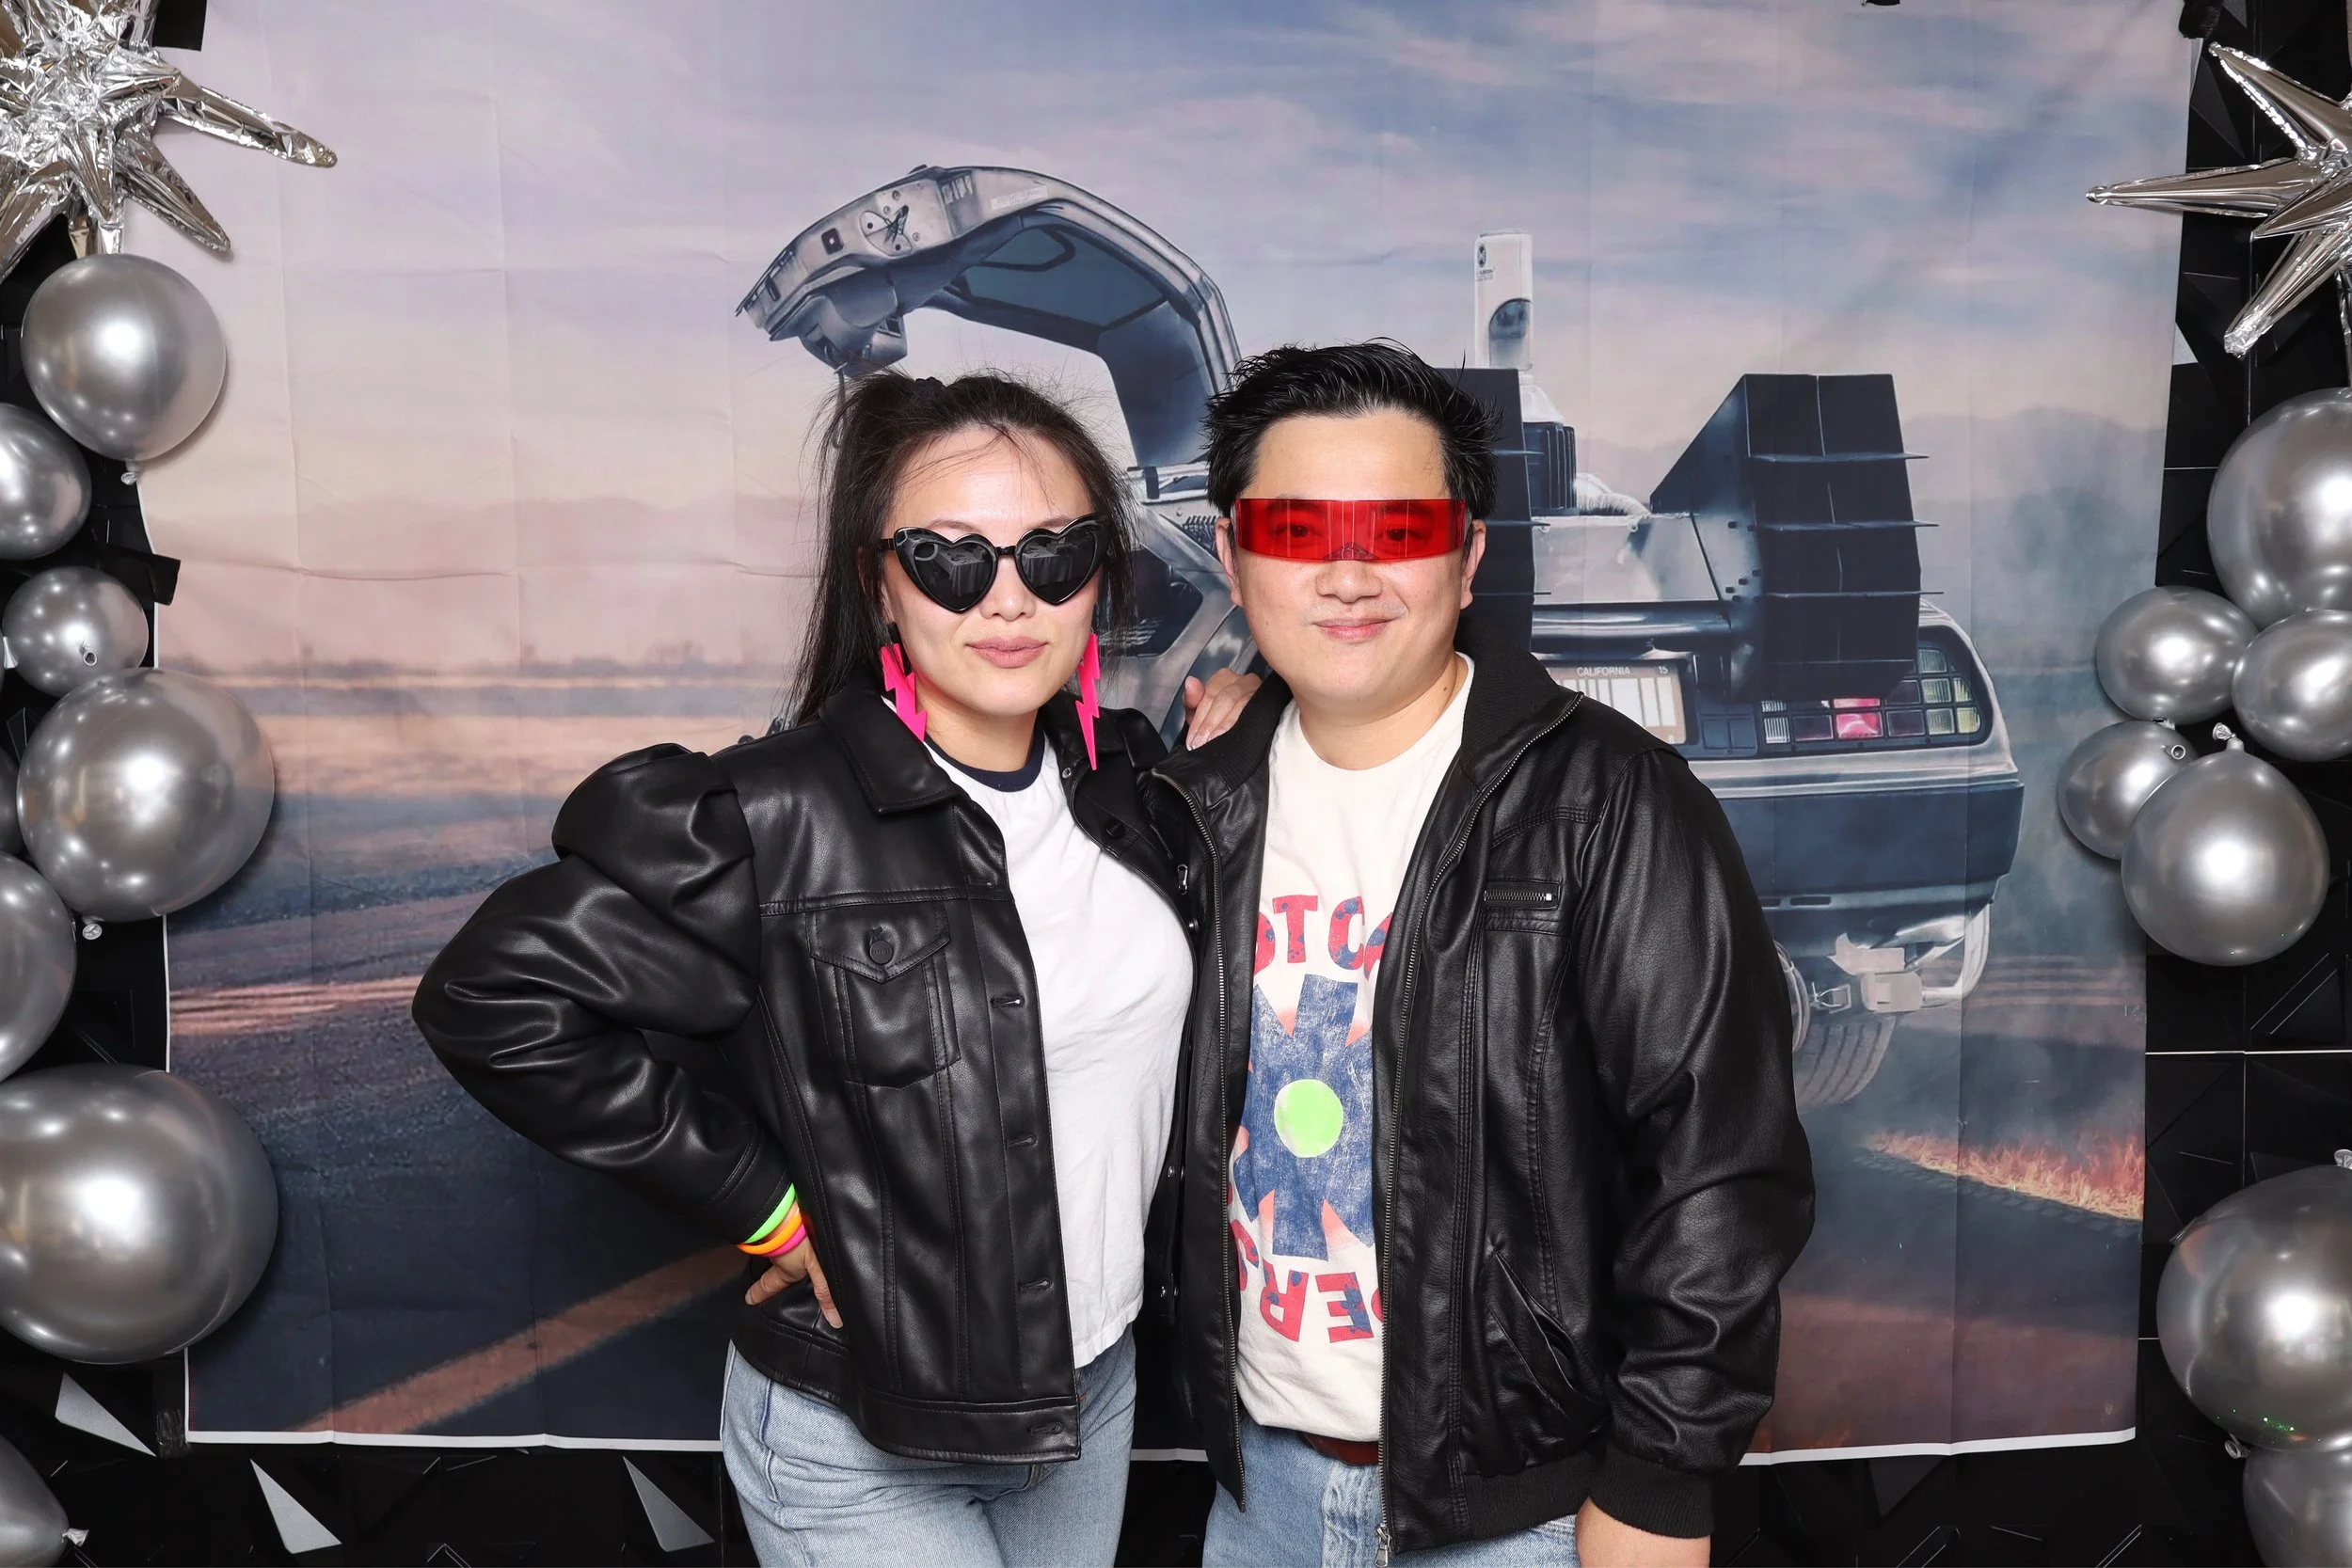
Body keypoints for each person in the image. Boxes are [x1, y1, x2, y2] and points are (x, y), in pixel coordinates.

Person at [413, 370, 1252, 1566]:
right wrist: (768, 1205)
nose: (1008, 599)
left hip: (1089, 1394)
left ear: (1101, 577)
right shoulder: (770, 814)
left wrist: (1250, 714)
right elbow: (493, 996)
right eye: (952, 557)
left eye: (1052, 556)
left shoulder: (1130, 789)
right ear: (881, 584)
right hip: (859, 1434)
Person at [1145, 342, 1816, 1567]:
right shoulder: (1190, 813)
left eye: (1397, 525)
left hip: (1532, 1517)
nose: (1346, 571)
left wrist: (1662, 1480)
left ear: (1467, 556)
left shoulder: (1612, 798)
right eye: (1296, 525)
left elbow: (1721, 1163)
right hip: (1261, 1498)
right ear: (1236, 560)